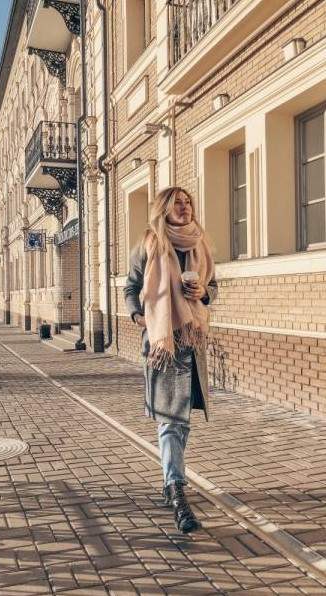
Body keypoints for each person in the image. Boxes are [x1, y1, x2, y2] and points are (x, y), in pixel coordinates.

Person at [124, 186, 217, 534]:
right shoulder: (148, 244)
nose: (185, 207)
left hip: (192, 343)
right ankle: (177, 491)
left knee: (183, 421)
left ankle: (170, 479)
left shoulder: (199, 243)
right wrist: (140, 317)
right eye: (177, 203)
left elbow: (213, 286)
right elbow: (131, 288)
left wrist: (203, 292)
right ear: (164, 209)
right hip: (162, 344)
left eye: (188, 202)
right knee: (170, 421)